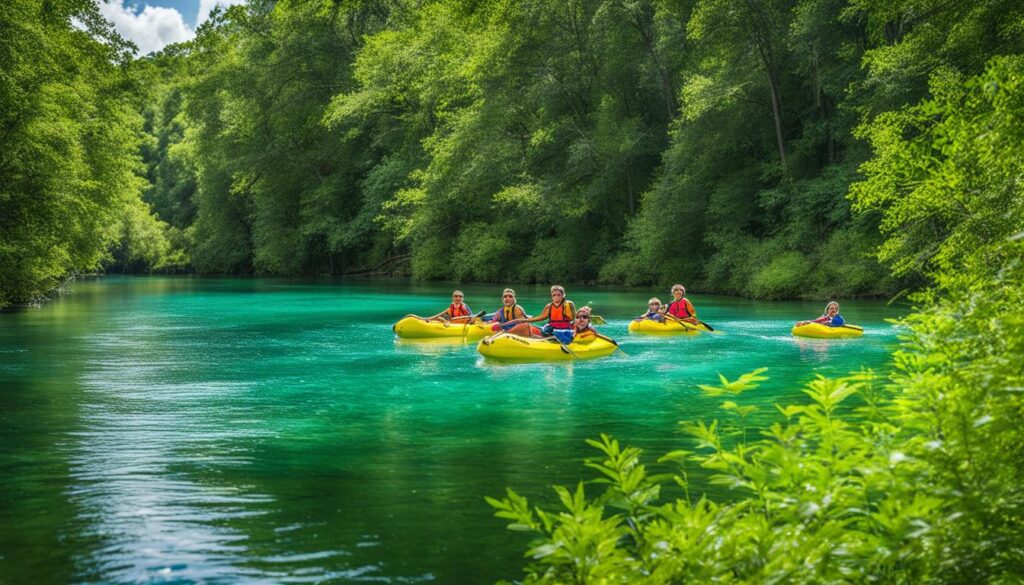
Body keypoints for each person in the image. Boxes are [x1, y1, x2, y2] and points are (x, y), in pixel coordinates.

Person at [504, 285, 575, 338]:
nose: (556, 297)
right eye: (554, 295)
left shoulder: (569, 304)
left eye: (558, 295)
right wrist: (522, 320)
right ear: (551, 296)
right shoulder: (549, 306)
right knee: (526, 326)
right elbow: (538, 318)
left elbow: (573, 320)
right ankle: (505, 334)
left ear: (563, 295)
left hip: (563, 330)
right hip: (550, 328)